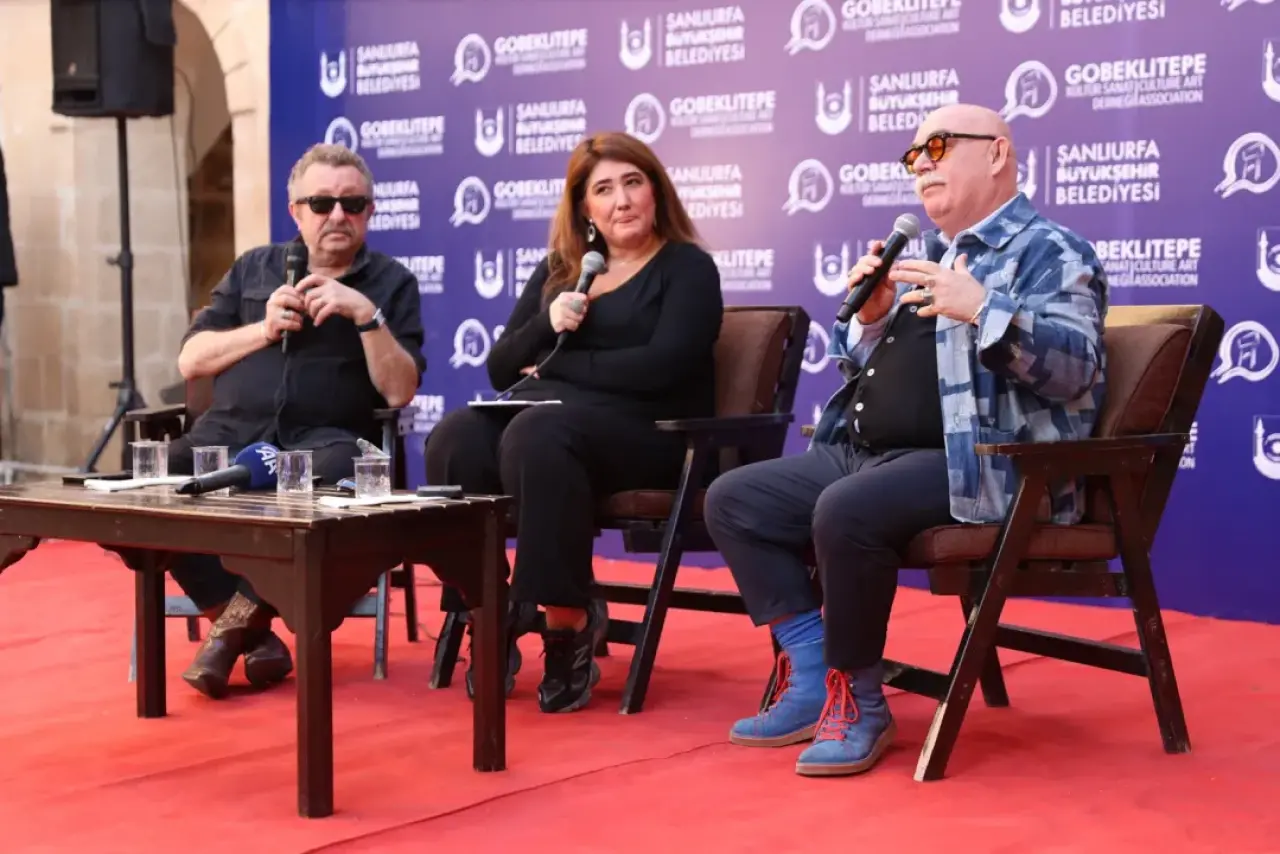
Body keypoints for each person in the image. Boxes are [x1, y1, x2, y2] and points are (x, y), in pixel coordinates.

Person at [703, 104, 1108, 777]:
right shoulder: (932, 258)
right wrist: (872, 320)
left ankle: (859, 699)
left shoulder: (1050, 250)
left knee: (847, 509)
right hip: (869, 452)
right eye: (913, 155)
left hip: (981, 464)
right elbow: (884, 371)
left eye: (938, 147)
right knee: (734, 499)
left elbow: (1076, 370)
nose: (921, 165)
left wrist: (983, 307)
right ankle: (812, 669)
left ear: (998, 154)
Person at [425, 131, 724, 714]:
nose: (622, 200)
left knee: (537, 434)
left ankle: (567, 621)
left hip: (651, 433)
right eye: (604, 189)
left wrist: (558, 365)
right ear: (584, 207)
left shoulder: (687, 268)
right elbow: (500, 365)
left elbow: (664, 366)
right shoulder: (562, 270)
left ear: (656, 191)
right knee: (454, 438)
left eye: (633, 183)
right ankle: (487, 605)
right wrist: (546, 326)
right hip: (556, 426)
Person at [167, 143, 426, 699]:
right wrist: (261, 330)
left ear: (370, 211)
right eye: (322, 203)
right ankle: (247, 628)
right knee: (155, 479)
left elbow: (400, 390)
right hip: (231, 435)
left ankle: (230, 634)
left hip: (324, 444)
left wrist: (366, 316)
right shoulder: (253, 268)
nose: (338, 215)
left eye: (353, 204)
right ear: (296, 211)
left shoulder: (391, 283)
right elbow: (191, 360)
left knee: (347, 469)